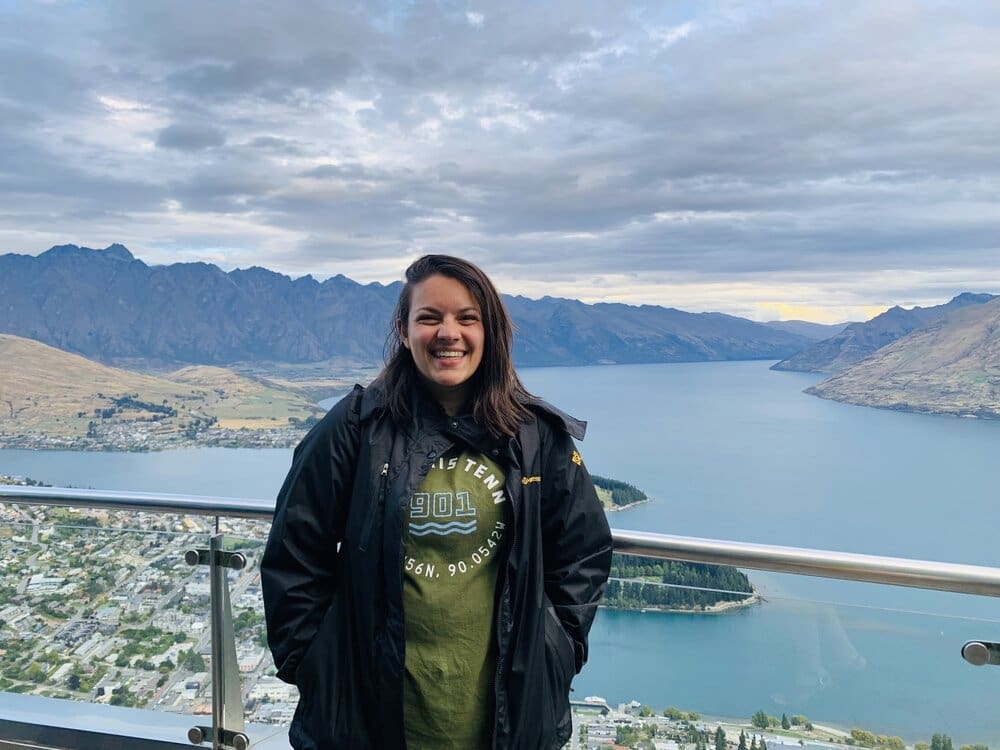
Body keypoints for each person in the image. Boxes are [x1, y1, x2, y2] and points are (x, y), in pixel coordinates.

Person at [261, 255, 613, 750]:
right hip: (367, 719)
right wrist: (317, 664)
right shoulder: (357, 428)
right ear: (404, 332)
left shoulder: (534, 436)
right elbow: (295, 551)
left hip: (506, 721)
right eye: (430, 318)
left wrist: (556, 650)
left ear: (489, 332)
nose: (449, 332)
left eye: (467, 318)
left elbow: (582, 552)